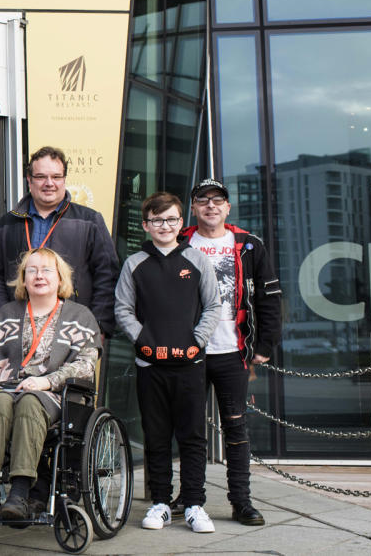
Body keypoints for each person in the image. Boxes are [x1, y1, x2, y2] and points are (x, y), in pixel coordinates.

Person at [0, 247, 100, 520]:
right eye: (31, 270)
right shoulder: (6, 313)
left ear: (60, 278)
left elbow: (85, 365)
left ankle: (20, 493)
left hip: (56, 395)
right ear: (23, 279)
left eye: (47, 270)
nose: (39, 276)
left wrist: (46, 381)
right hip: (7, 389)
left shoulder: (80, 316)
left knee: (29, 403)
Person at [114, 191, 219, 534]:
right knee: (156, 437)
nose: (165, 225)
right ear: (146, 225)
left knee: (192, 437)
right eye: (157, 220)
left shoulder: (196, 259)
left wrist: (196, 342)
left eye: (172, 219)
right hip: (151, 367)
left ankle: (194, 504)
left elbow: (213, 307)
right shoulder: (134, 263)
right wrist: (145, 342)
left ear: (180, 223)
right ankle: (160, 502)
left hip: (190, 365)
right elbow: (123, 310)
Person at [178, 179, 281, 526]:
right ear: (193, 207)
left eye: (218, 200)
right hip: (189, 352)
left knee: (236, 430)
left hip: (232, 351)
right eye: (203, 200)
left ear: (228, 207)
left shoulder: (249, 245)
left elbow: (269, 298)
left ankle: (241, 501)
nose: (211, 205)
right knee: (190, 429)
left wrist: (265, 345)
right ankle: (191, 498)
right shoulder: (180, 243)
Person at [0, 146, 119, 336]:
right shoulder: (6, 224)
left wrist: (98, 327)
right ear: (29, 180)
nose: (49, 183)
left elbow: (107, 275)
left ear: (64, 180)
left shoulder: (89, 221)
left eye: (56, 177)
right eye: (41, 177)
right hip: (17, 329)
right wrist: (3, 319)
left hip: (73, 329)